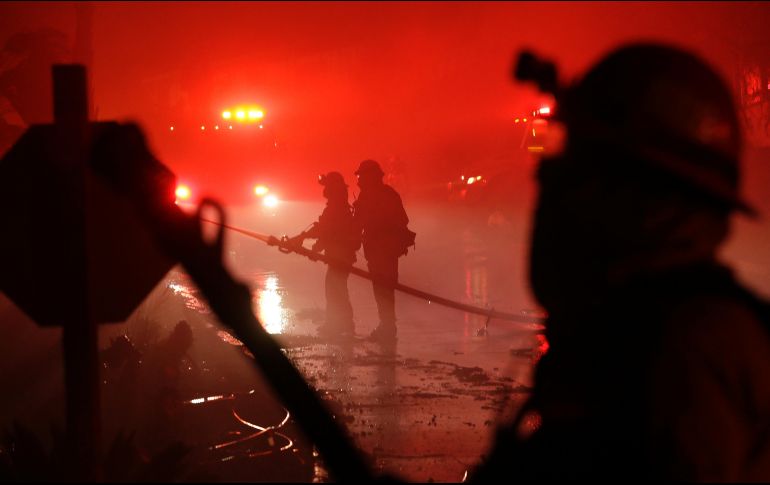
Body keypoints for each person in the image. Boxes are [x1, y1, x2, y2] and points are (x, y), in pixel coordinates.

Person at [470, 43, 770, 481]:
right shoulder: (630, 323)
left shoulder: (685, 348)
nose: (549, 187)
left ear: (631, 190)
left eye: (574, 170)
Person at [289, 171, 360, 339]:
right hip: (339, 255)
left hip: (340, 256)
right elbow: (327, 232)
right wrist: (316, 247)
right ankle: (343, 324)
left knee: (335, 290)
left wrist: (303, 238)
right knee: (337, 289)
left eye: (327, 186)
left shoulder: (336, 206)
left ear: (333, 188)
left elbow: (324, 229)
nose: (325, 189)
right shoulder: (337, 204)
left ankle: (339, 325)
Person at [352, 159, 415, 342]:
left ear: (371, 177)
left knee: (383, 289)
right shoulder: (387, 194)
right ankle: (387, 325)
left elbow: (361, 223)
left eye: (362, 176)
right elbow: (403, 220)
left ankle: (387, 327)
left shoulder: (374, 195)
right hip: (383, 251)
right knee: (383, 290)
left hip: (383, 251)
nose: (359, 180)